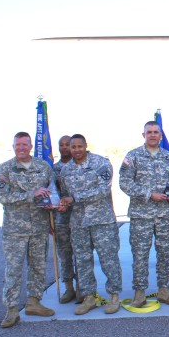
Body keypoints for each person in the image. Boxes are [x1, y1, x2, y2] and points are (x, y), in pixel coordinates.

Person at [0, 132, 55, 328]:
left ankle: (34, 302)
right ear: (13, 146)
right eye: (18, 144)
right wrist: (32, 194)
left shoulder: (43, 168)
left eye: (24, 144)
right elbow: (4, 197)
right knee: (13, 270)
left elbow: (53, 191)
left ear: (30, 146)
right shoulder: (4, 170)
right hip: (15, 231)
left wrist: (52, 206)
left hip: (39, 228)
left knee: (38, 267)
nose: (21, 147)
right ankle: (11, 310)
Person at [57, 134, 122, 314]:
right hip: (78, 223)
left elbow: (103, 190)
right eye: (73, 147)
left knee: (108, 259)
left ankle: (114, 296)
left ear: (86, 146)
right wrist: (62, 203)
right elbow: (64, 193)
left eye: (80, 146)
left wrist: (74, 198)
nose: (77, 150)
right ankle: (88, 297)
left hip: (102, 221)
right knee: (83, 261)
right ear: (69, 149)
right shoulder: (66, 170)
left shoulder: (101, 164)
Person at [119, 121, 169, 307]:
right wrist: (148, 195)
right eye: (150, 132)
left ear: (161, 135)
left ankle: (164, 290)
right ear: (143, 134)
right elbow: (124, 183)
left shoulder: (168, 157)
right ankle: (139, 293)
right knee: (140, 254)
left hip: (165, 215)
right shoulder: (133, 156)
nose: (153, 135)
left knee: (165, 254)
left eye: (156, 132)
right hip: (142, 215)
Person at [53, 135, 79, 303]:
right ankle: (69, 288)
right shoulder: (52, 169)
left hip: (79, 217)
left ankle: (83, 289)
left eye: (67, 145)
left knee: (81, 255)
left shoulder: (79, 166)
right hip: (61, 218)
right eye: (61, 145)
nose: (64, 148)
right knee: (64, 255)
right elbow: (51, 194)